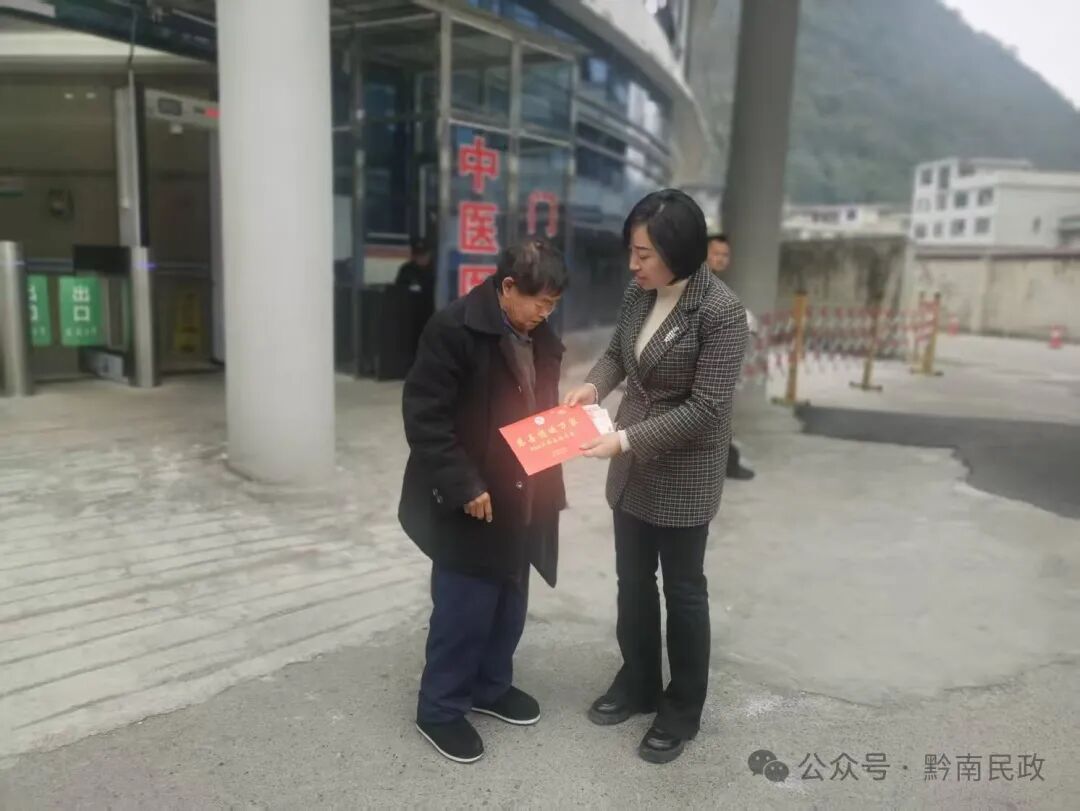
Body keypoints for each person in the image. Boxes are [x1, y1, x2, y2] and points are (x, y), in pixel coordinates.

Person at [564, 190, 748, 764]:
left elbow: (706, 409)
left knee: (684, 592)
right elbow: (618, 355)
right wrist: (592, 386)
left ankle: (682, 708)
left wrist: (624, 440)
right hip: (632, 470)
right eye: (631, 251)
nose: (633, 265)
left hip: (683, 473)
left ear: (679, 251)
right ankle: (639, 680)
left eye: (643, 254)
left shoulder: (720, 312)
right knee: (633, 582)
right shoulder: (638, 293)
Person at [399, 241, 568, 764]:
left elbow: (539, 408)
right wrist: (464, 484)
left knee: (510, 600)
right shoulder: (454, 330)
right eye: (540, 302)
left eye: (554, 305)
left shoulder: (541, 336)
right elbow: (425, 418)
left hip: (524, 490)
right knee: (465, 605)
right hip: (474, 496)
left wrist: (567, 433)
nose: (545, 314)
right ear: (508, 287)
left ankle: (490, 686)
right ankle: (440, 708)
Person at [706, 231, 756, 481]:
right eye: (716, 253)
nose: (721, 259)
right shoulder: (697, 283)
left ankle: (723, 462)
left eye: (725, 255)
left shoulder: (715, 283)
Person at [395, 238, 436, 358]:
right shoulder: (407, 270)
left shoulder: (436, 270)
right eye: (418, 255)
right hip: (412, 318)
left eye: (424, 255)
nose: (421, 258)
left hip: (433, 314)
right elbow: (399, 292)